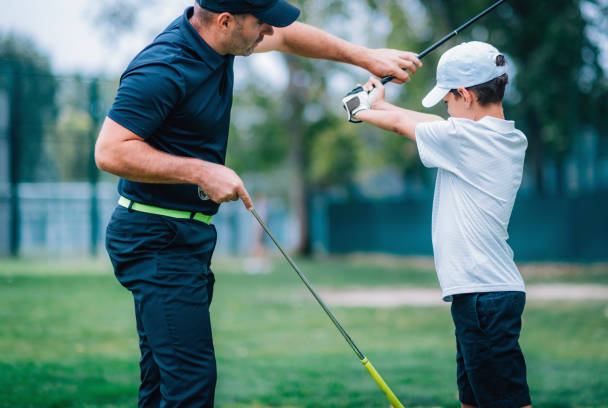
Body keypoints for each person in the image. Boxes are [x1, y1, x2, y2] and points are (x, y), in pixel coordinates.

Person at [94, 0, 422, 406]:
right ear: (226, 21)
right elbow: (110, 152)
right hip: (156, 238)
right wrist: (202, 172)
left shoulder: (219, 40)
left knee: (163, 384)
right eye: (260, 23)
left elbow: (286, 35)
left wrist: (365, 56)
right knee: (190, 386)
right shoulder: (163, 68)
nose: (268, 31)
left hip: (184, 236)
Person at [344, 41, 531, 408]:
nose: (445, 108)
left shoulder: (465, 139)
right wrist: (378, 104)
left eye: (447, 100)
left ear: (464, 94)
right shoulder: (505, 137)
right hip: (481, 295)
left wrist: (358, 110)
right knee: (474, 400)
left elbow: (404, 125)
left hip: (483, 295)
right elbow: (432, 125)